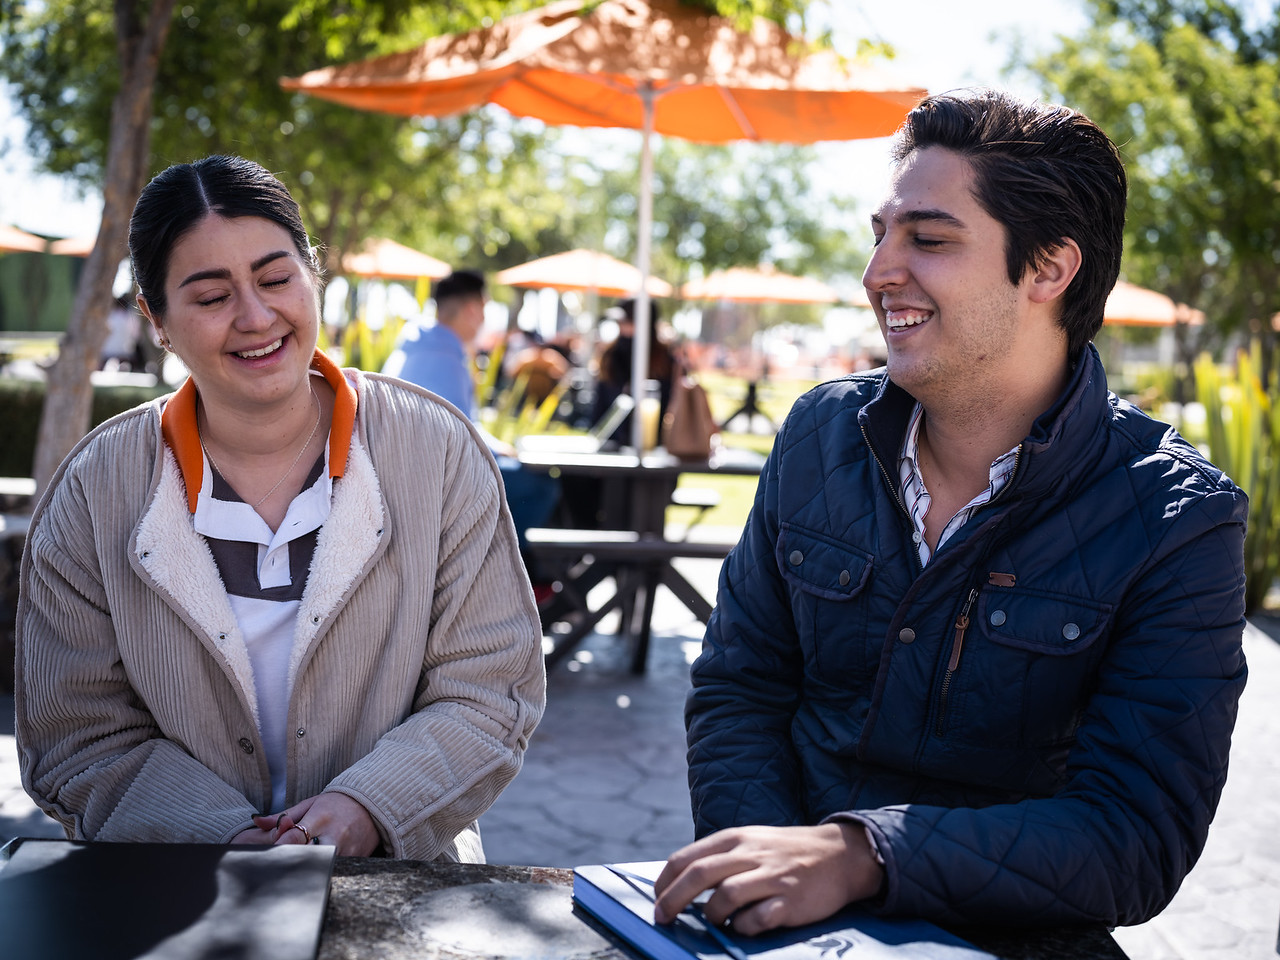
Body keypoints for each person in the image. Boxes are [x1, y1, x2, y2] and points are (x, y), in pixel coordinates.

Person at [654, 89, 1248, 933]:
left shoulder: (1178, 518)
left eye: (928, 240)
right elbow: (738, 689)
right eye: (879, 236)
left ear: (1048, 268)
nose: (877, 273)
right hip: (783, 931)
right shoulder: (818, 436)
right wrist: (769, 874)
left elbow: (1135, 836)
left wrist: (862, 858)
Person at [15, 156, 546, 860]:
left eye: (275, 278)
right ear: (157, 320)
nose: (257, 317)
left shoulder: (437, 451)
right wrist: (221, 835)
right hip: (174, 891)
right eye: (211, 297)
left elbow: (489, 690)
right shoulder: (94, 491)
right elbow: (75, 736)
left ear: (312, 273)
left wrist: (369, 806)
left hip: (403, 883)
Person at [383, 271, 560, 552]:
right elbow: (461, 429)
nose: (486, 320)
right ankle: (514, 571)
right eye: (485, 310)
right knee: (542, 487)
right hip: (433, 479)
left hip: (410, 471)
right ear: (472, 310)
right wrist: (501, 448)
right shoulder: (444, 357)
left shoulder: (417, 345)